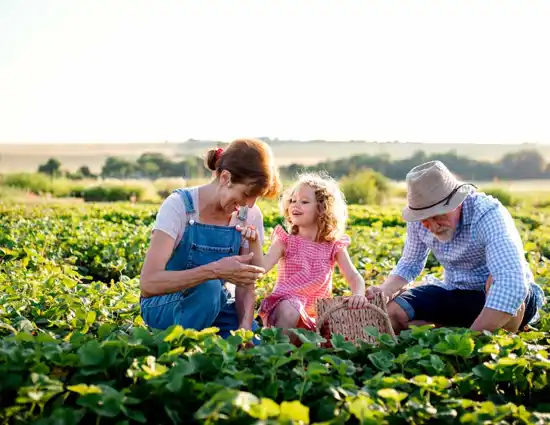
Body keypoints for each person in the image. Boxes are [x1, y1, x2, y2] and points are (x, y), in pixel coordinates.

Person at [367, 160, 545, 334]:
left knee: (496, 281)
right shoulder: (418, 217)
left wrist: (469, 340)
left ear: (457, 201)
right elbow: (409, 265)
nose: (433, 226)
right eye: (425, 219)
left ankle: (496, 333)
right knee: (394, 313)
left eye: (438, 216)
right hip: (456, 292)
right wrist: (383, 291)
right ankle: (460, 328)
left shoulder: (487, 214)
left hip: (506, 295)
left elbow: (510, 283)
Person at [139, 138, 281, 340]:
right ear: (225, 178)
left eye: (256, 197)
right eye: (247, 194)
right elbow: (149, 283)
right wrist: (213, 271)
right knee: (210, 288)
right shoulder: (179, 206)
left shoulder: (249, 214)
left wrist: (245, 327)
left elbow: (246, 284)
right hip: (165, 304)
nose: (248, 205)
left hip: (218, 304)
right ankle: (180, 349)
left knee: (253, 350)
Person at [237, 172, 368, 342]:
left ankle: (302, 350)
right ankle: (277, 353)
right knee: (292, 308)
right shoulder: (285, 241)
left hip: (314, 314)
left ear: (322, 209)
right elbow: (261, 268)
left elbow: (353, 276)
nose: (295, 205)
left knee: (338, 328)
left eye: (304, 202)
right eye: (292, 200)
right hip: (285, 308)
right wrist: (254, 241)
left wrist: (358, 294)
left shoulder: (333, 245)